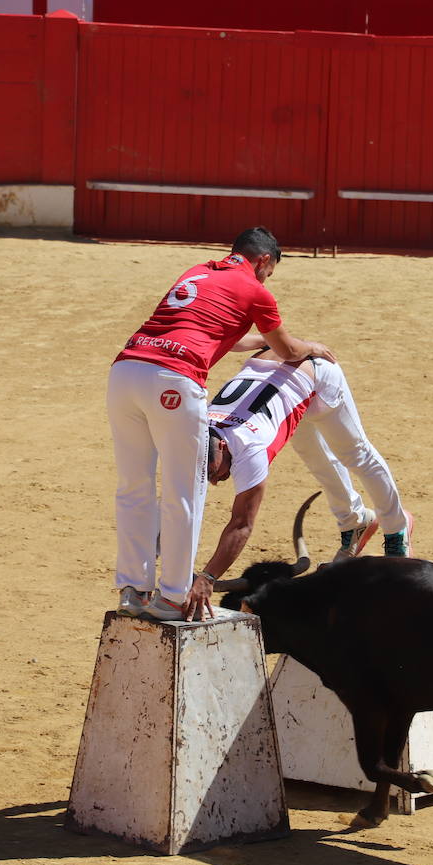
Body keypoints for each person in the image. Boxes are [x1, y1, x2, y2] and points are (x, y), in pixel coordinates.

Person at [107, 228, 333, 624]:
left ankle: (133, 588)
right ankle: (174, 596)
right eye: (269, 272)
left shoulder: (197, 272)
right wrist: (310, 346)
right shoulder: (256, 290)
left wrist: (261, 343)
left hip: (126, 370)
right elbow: (289, 351)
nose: (266, 281)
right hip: (173, 381)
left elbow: (216, 334)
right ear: (263, 260)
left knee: (133, 486)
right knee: (184, 490)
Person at [180, 347, 414, 618]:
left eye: (215, 472)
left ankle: (397, 530)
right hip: (278, 380)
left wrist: (208, 577)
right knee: (315, 458)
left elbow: (242, 523)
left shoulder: (249, 447)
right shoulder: (194, 433)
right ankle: (355, 521)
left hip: (316, 376)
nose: (217, 481)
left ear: (222, 445)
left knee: (355, 453)